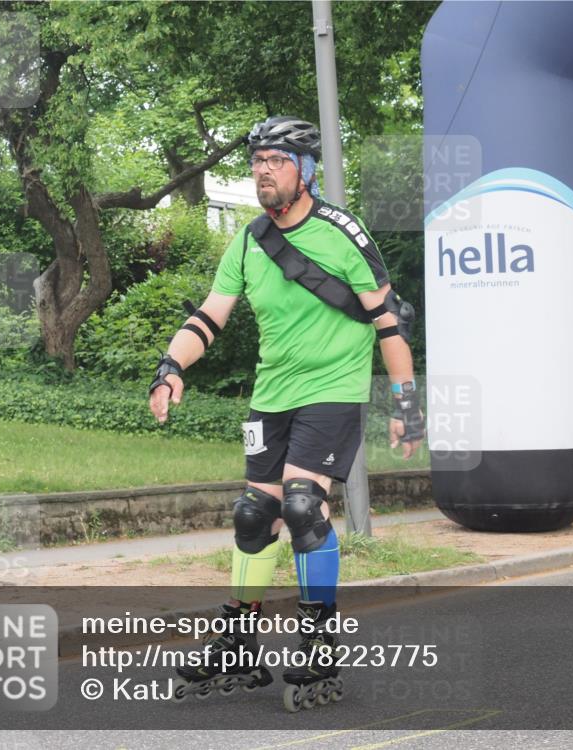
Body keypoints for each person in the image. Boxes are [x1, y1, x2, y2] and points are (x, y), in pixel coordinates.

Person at [147, 115, 424, 711]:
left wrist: (406, 402)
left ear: (306, 171)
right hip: (271, 395)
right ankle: (241, 640)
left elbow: (388, 323)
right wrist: (171, 367)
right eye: (256, 162)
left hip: (332, 389)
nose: (262, 171)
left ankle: (320, 637)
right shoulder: (247, 241)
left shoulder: (342, 233)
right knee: (254, 515)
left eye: (276, 161)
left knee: (303, 505)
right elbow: (209, 317)